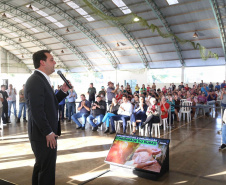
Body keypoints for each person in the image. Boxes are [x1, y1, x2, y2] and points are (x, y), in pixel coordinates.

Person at [25, 50, 70, 185]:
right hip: (42, 134)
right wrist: (48, 132)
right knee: (47, 170)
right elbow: (37, 110)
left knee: (41, 167)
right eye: (51, 59)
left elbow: (50, 104)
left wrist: (62, 91)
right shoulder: (35, 81)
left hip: (45, 132)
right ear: (42, 62)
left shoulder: (42, 79)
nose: (55, 62)